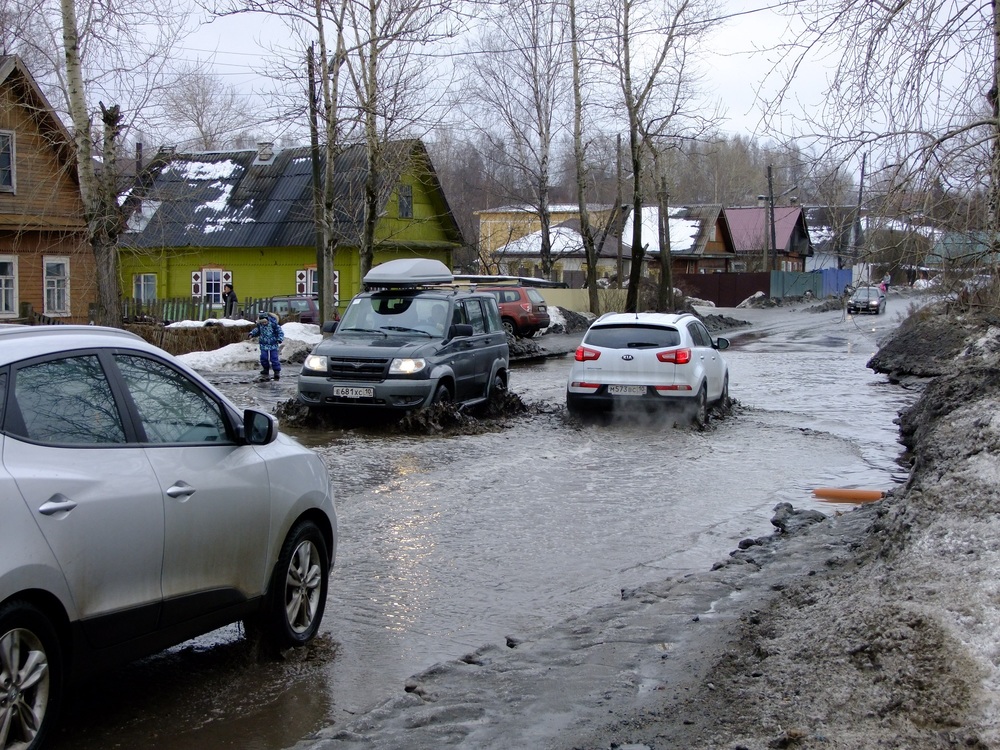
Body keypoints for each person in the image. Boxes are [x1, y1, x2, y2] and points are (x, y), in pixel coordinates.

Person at [249, 311, 284, 381]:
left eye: (265, 322)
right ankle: (265, 369)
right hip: (263, 344)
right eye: (262, 322)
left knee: (274, 358)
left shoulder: (274, 325)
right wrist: (252, 334)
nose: (264, 324)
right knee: (263, 357)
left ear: (267, 319)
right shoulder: (260, 325)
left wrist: (279, 339)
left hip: (273, 344)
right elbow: (257, 331)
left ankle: (276, 372)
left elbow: (280, 332)